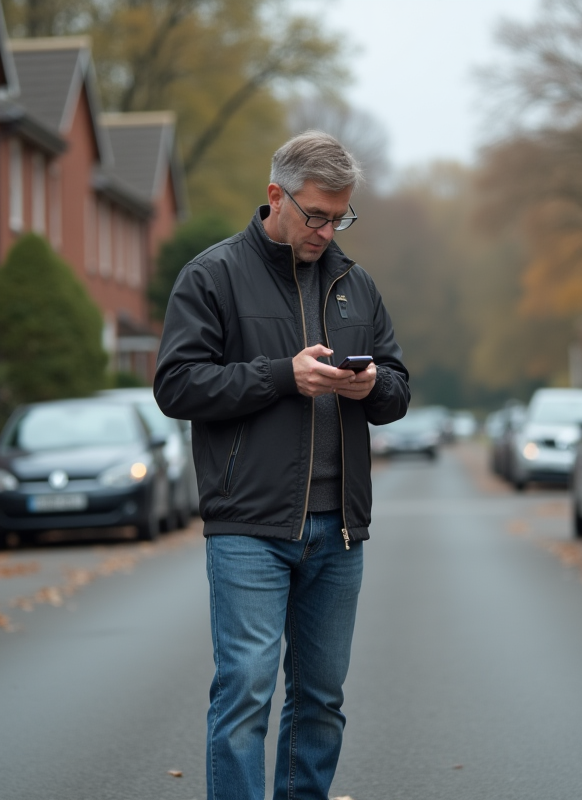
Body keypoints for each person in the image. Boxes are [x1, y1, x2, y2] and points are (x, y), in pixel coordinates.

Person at [154, 131, 410, 800]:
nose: (327, 231)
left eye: (340, 216)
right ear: (276, 196)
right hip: (248, 526)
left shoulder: (357, 284)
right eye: (316, 215)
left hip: (340, 530)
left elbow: (399, 390)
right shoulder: (211, 276)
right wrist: (279, 375)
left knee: (320, 702)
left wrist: (372, 385)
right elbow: (176, 385)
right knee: (245, 695)